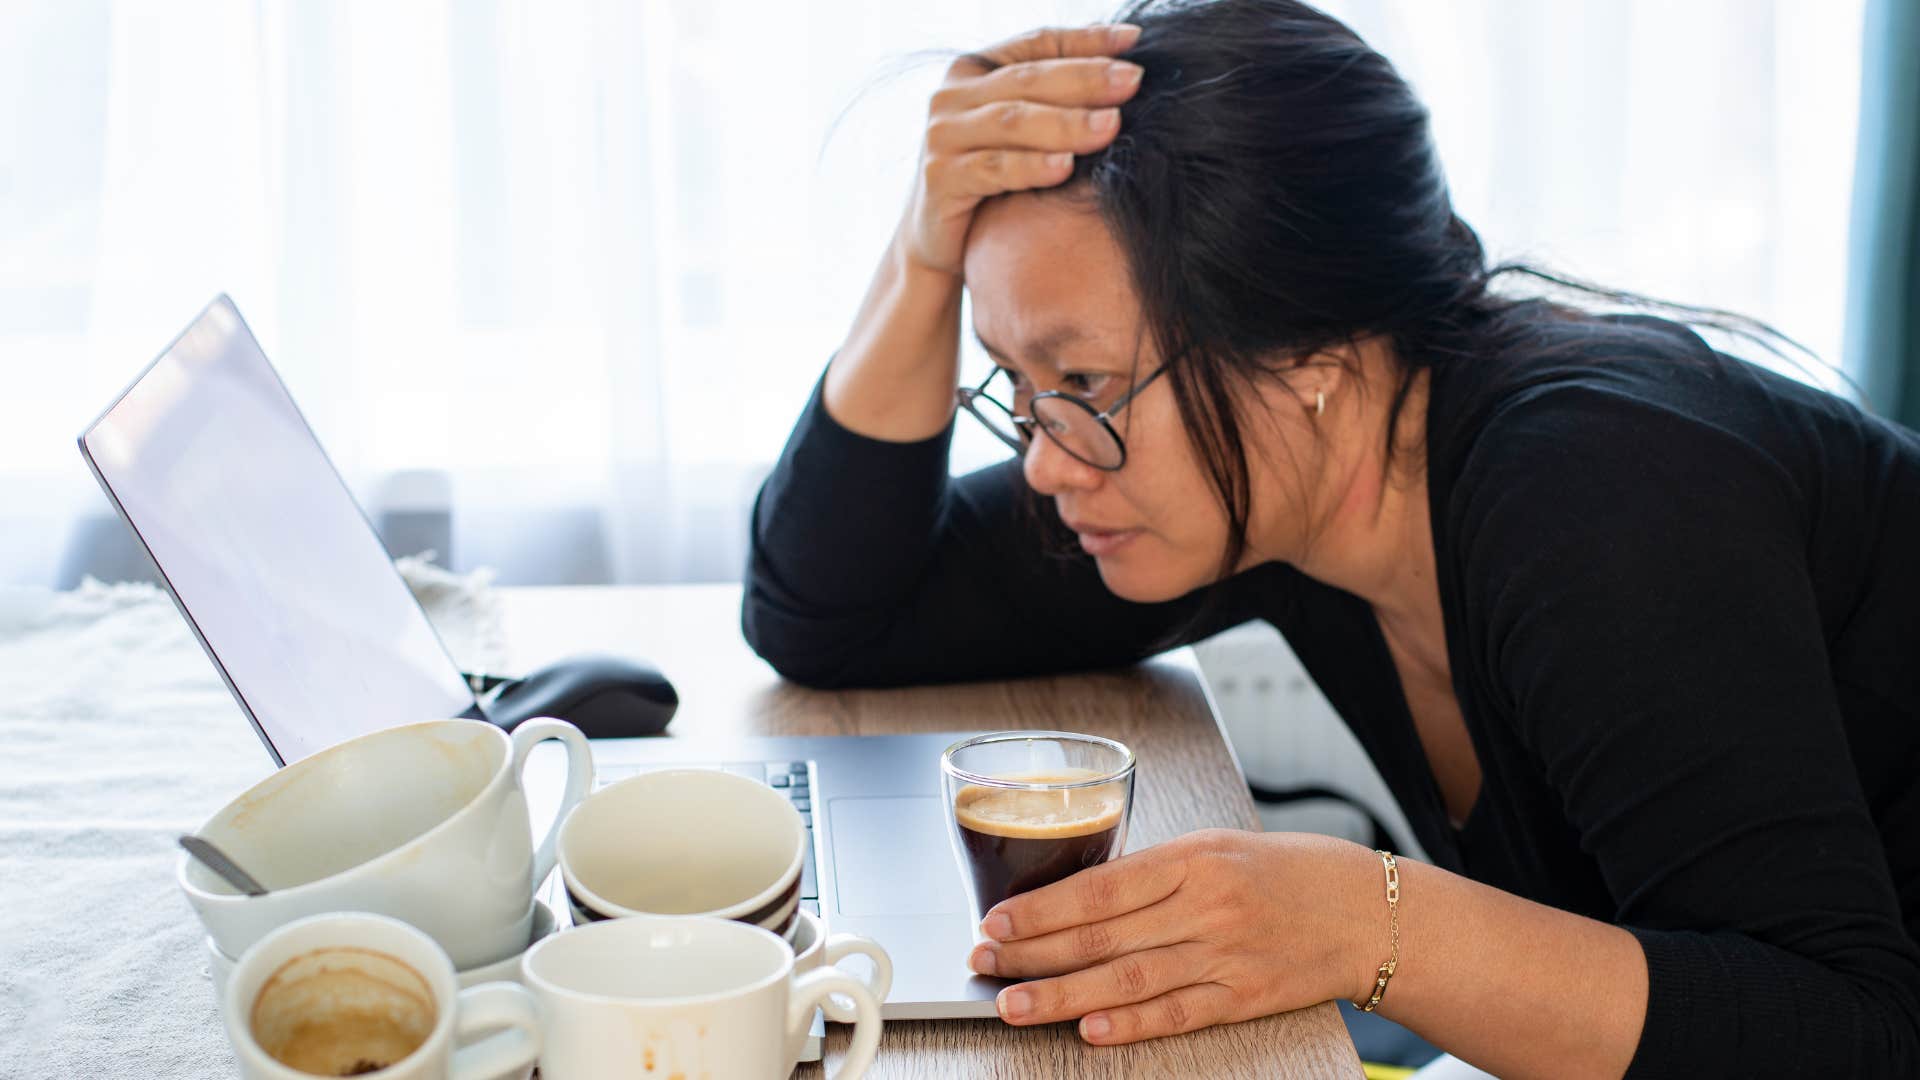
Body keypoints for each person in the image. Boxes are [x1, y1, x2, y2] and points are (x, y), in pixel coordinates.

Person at [740, 2, 1920, 1076]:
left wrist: (1370, 922)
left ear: (1311, 359)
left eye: (1083, 381)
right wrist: (922, 247)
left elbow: (1848, 1034)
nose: (1044, 462)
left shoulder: (1601, 496)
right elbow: (836, 616)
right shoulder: (1275, 486)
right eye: (1017, 383)